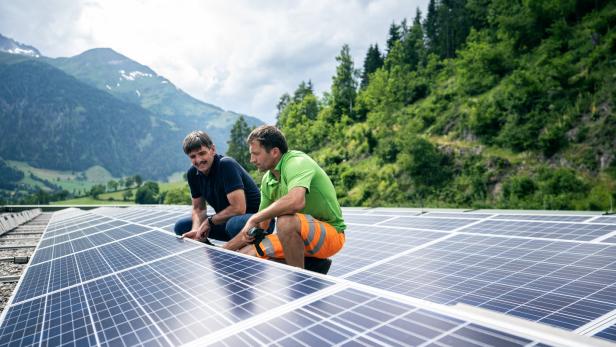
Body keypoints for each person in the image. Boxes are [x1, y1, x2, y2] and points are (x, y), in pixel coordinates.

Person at [229, 125, 346, 269]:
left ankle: (299, 279)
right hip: (299, 237)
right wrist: (225, 249)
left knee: (285, 222)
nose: (252, 159)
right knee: (247, 253)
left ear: (274, 152)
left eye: (256, 154)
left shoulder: (297, 162)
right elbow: (260, 226)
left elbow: (296, 201)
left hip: (331, 236)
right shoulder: (268, 180)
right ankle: (314, 265)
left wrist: (254, 218)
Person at [174, 130, 270, 243]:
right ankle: (210, 250)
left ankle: (241, 248)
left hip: (258, 222)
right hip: (229, 222)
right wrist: (196, 230)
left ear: (212, 150)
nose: (198, 160)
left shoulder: (226, 165)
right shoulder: (192, 174)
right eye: (193, 156)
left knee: (232, 224)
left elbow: (239, 208)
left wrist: (209, 221)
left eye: (202, 153)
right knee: (182, 226)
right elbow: (198, 209)